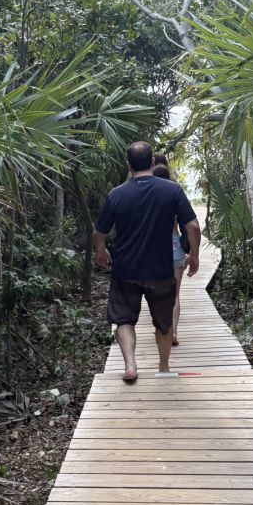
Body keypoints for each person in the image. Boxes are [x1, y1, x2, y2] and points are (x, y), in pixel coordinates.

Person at [94, 142, 201, 382]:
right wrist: (194, 255)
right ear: (152, 162)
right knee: (164, 322)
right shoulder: (172, 190)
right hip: (160, 269)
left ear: (128, 165)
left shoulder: (116, 194)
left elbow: (99, 231)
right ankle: (163, 367)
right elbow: (193, 226)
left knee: (123, 318)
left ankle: (131, 365)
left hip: (125, 269)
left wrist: (101, 251)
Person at [152, 163, 186, 346]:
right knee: (174, 294)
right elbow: (189, 223)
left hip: (155, 247)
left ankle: (161, 329)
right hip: (174, 245)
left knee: (156, 294)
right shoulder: (175, 195)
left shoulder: (149, 197)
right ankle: (174, 331)